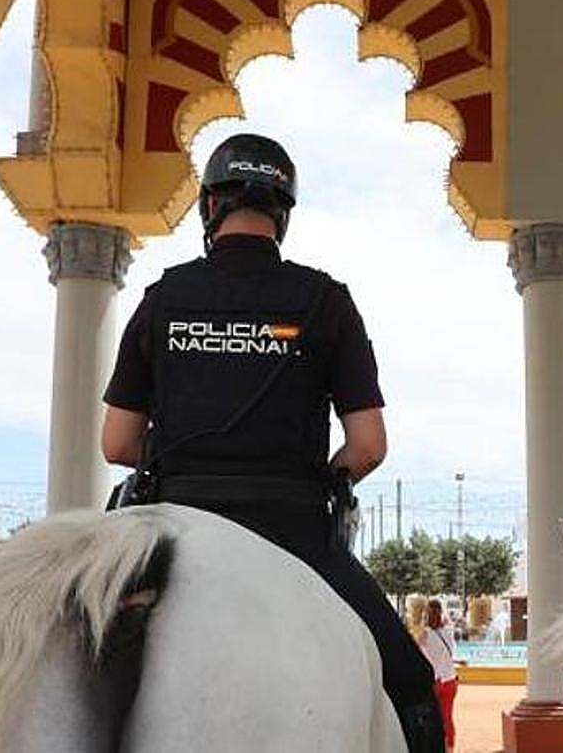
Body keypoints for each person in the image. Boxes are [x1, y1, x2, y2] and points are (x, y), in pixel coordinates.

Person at [100, 133, 444, 751]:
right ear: (282, 214)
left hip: (168, 528)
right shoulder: (326, 302)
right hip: (295, 531)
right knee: (412, 684)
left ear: (211, 206)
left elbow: (117, 442)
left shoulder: (162, 299)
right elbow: (368, 444)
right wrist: (322, 474)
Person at [416, 599, 459, 753]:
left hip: (434, 682)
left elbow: (417, 655)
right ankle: (450, 748)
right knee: (447, 717)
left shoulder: (425, 635)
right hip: (450, 679)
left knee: (431, 719)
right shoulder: (448, 631)